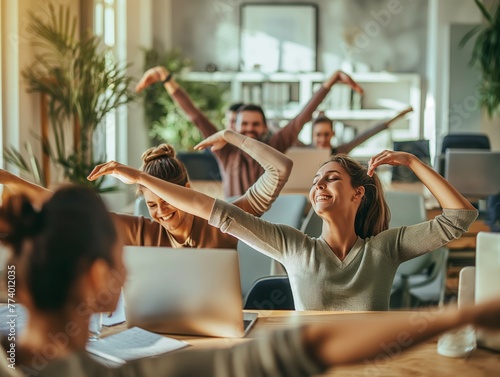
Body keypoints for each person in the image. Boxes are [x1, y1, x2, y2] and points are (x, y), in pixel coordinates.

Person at [1, 186, 500, 377]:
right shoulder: (131, 376)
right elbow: (309, 344)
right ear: (96, 280)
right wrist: (466, 314)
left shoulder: (385, 245)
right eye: (121, 260)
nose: (129, 270)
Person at [88, 149, 478, 311]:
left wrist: (412, 161)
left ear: (358, 194)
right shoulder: (292, 246)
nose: (319, 185)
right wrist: (138, 176)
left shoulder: (387, 248)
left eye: (331, 179)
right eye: (316, 181)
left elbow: (459, 217)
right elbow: (209, 209)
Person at [0, 129, 292, 249]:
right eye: (152, 206)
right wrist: (9, 179)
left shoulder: (225, 221)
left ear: (187, 190)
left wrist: (231, 136)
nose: (161, 213)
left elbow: (280, 169)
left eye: (167, 202)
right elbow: (71, 209)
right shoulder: (143, 232)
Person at [135, 66, 364, 197]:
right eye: (244, 125)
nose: (250, 129)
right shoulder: (225, 150)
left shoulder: (274, 146)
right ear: (234, 127)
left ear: (264, 127)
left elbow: (302, 117)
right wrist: (166, 79)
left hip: (267, 221)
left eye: (255, 124)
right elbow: (196, 116)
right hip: (231, 221)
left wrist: (331, 80)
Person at [312, 106, 414, 152]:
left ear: (333, 133)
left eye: (326, 134)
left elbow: (368, 133)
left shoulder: (341, 151)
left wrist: (400, 115)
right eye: (318, 134)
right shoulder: (303, 151)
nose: (322, 139)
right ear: (313, 135)